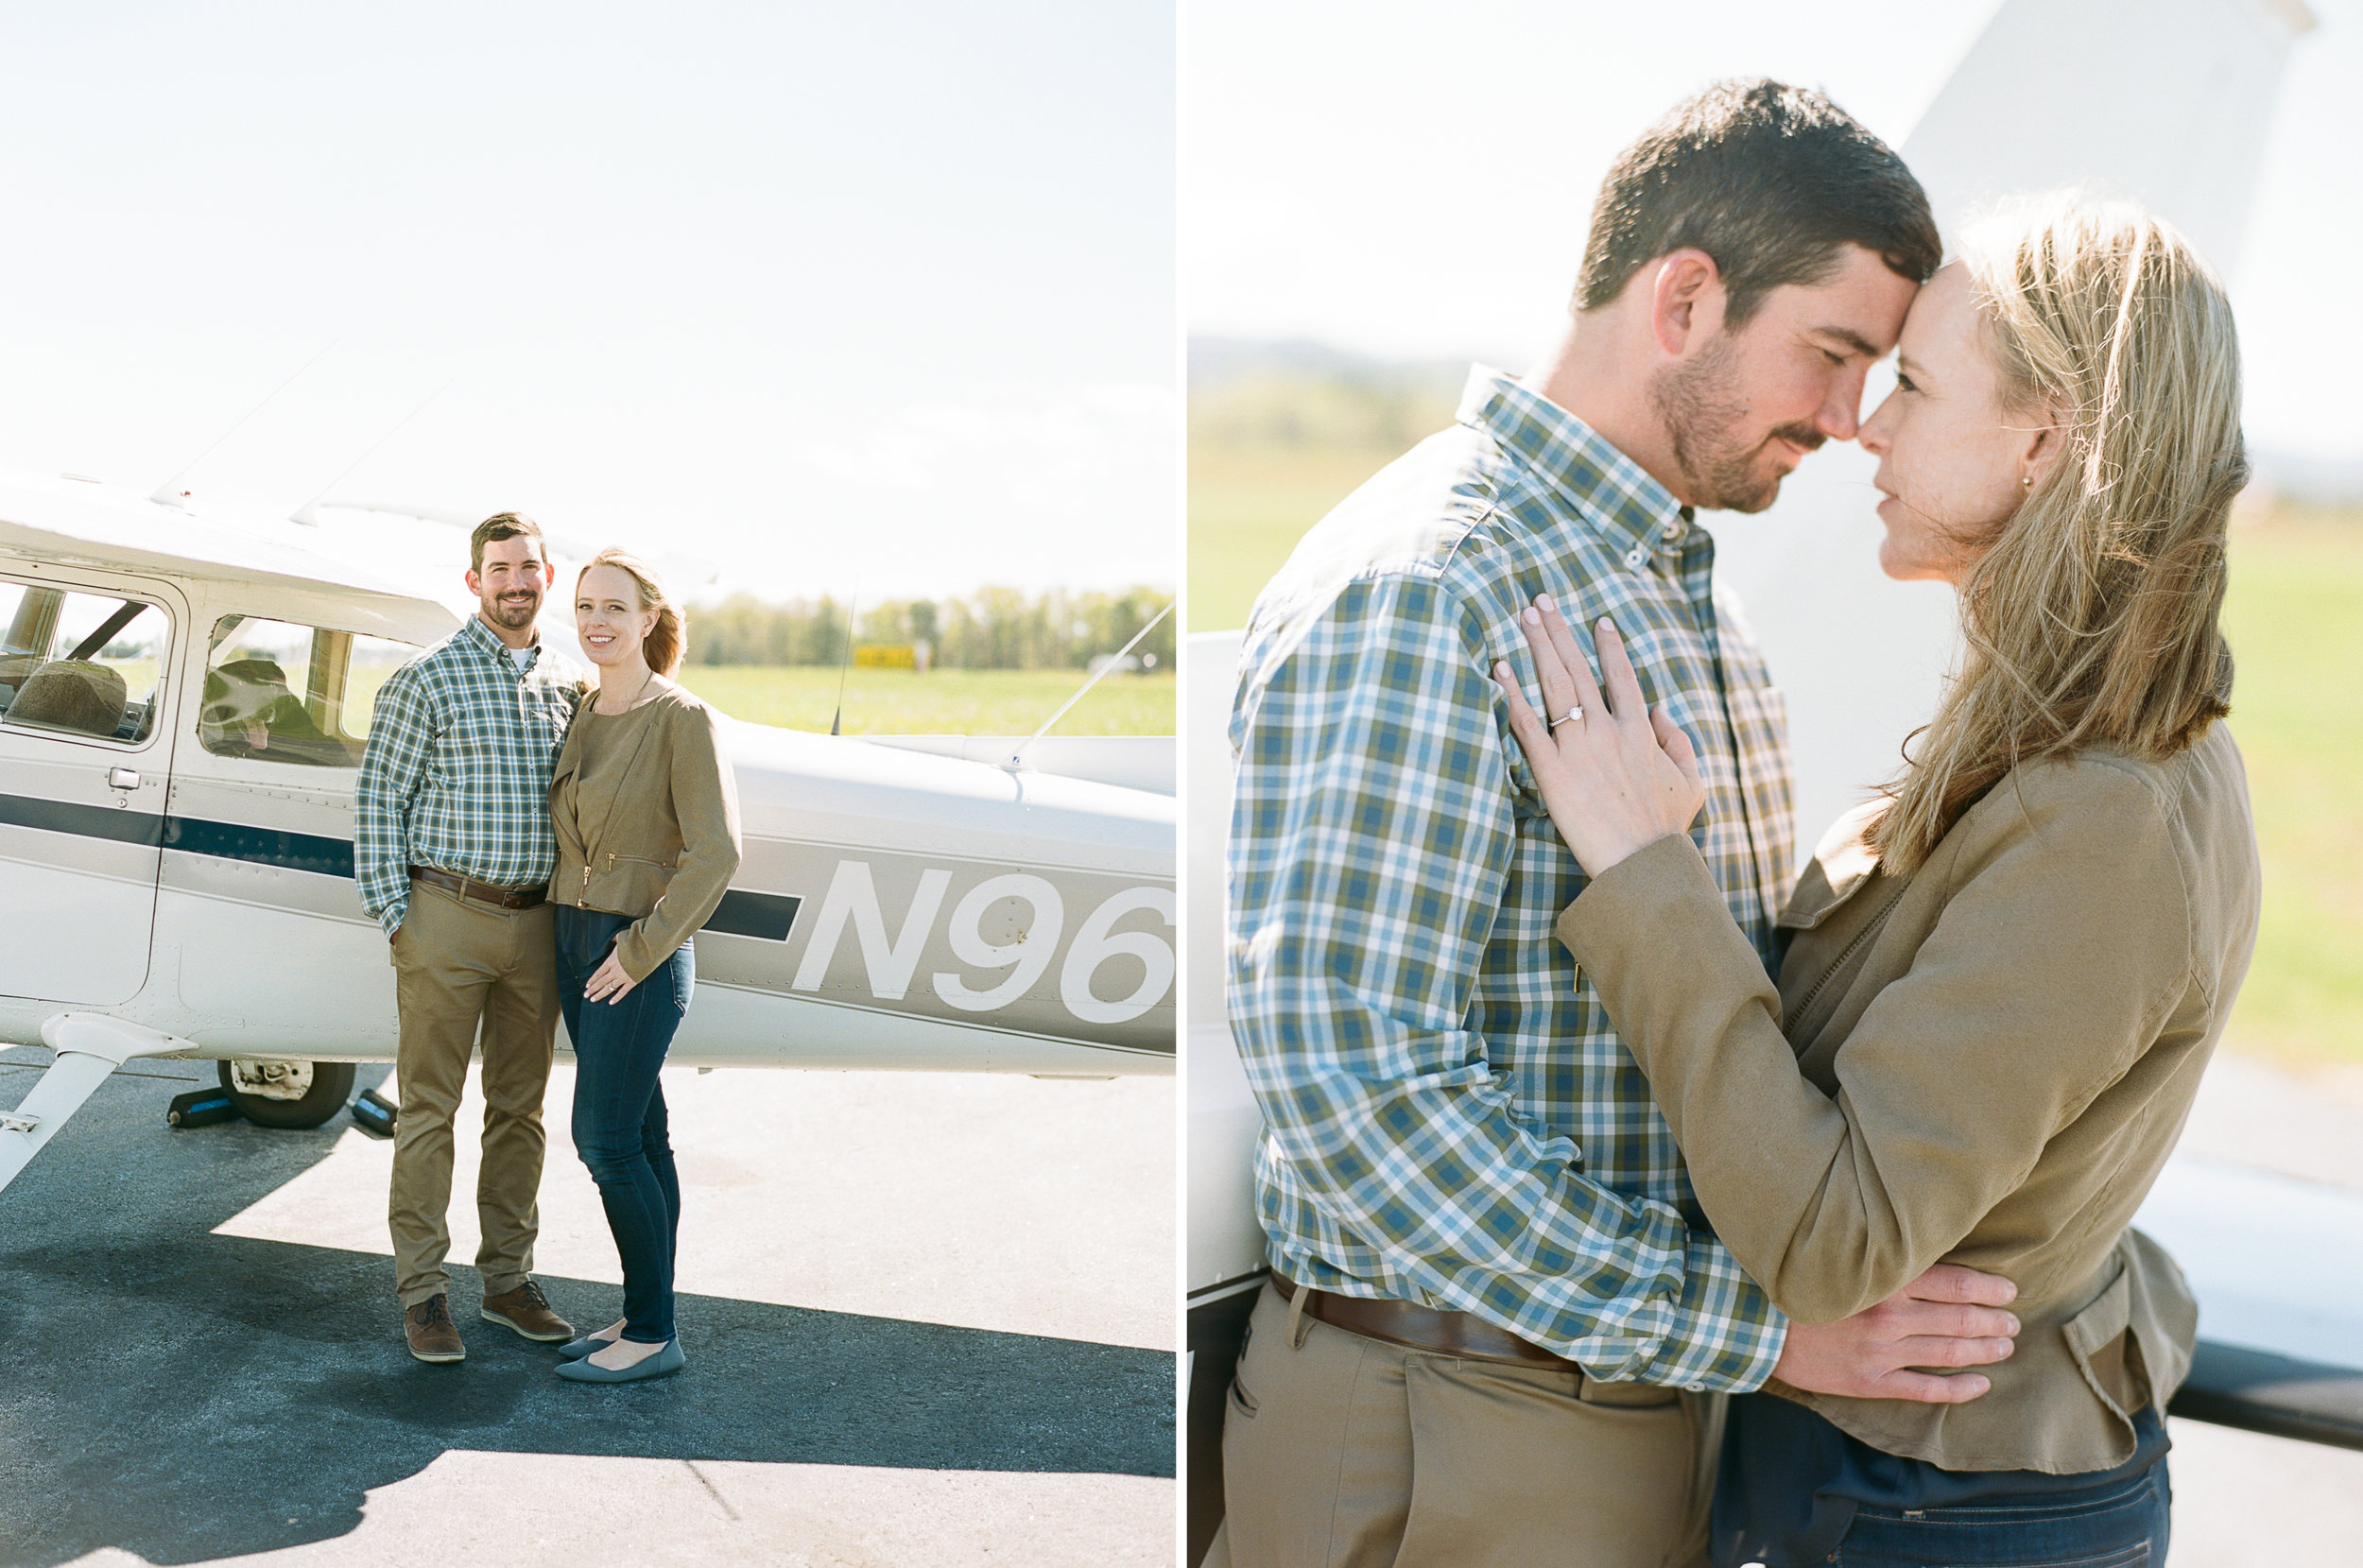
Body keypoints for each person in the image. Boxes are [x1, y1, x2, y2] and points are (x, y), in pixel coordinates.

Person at [1216, 81, 2022, 1568]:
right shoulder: (1430, 584)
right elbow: (1360, 1091)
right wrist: (1752, 1329)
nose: (1850, 423)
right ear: (1686, 297)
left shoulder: (1670, 579)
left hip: (1617, 1402)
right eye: (1832, 355)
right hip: (1455, 1424)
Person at [1495, 195, 2256, 1566]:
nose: (1868, 426)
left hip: (1933, 1512)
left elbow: (1837, 1242)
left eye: (1912, 384)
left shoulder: (2104, 818)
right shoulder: (2077, 740)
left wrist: (1645, 873)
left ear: (2045, 436)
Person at [354, 512, 585, 1363]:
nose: (515, 582)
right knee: (428, 1111)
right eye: (500, 569)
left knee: (520, 1113)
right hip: (444, 918)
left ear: (547, 577)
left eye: (528, 567)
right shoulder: (428, 678)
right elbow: (380, 802)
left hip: (537, 925)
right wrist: (400, 920)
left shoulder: (570, 684)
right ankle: (423, 1293)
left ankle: (507, 1282)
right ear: (474, 581)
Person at [544, 548, 740, 1385]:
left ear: (649, 618)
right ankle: (642, 1307)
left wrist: (639, 950)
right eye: (586, 605)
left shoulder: (681, 717)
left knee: (604, 1138)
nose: (597, 620)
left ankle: (655, 1335)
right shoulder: (585, 708)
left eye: (616, 608)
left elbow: (717, 854)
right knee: (644, 1137)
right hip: (574, 943)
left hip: (636, 955)